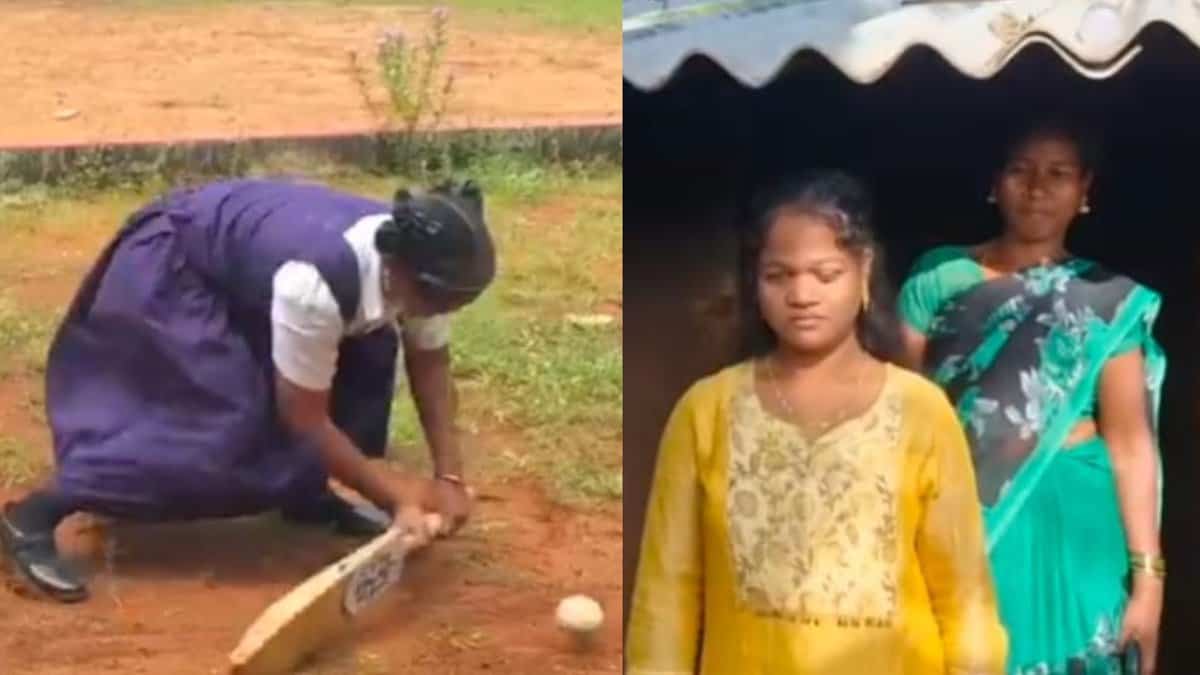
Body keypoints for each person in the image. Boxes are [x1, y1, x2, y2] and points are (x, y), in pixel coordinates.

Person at [0, 176, 495, 603]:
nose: (445, 310)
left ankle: (303, 491)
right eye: (440, 300)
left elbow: (430, 362)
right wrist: (396, 501)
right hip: (182, 267)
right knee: (214, 426)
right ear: (399, 269)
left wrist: (449, 477)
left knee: (363, 363)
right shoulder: (317, 281)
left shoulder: (426, 268)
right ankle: (34, 515)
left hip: (252, 268)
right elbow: (303, 415)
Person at [626, 170, 1008, 674]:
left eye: (825, 275)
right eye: (778, 276)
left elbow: (964, 600)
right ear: (754, 281)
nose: (802, 294)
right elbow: (665, 595)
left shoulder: (922, 412)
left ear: (864, 270)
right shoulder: (707, 412)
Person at [898, 118, 1166, 674]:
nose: (1037, 187)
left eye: (1058, 173)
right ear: (994, 184)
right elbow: (897, 418)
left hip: (1078, 525)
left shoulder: (1107, 300)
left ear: (1084, 191)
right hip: (963, 516)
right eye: (1020, 170)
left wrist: (1148, 580)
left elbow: (1131, 444)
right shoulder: (938, 278)